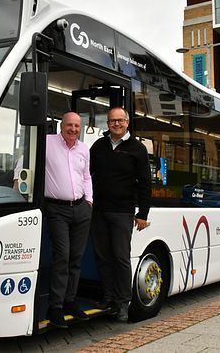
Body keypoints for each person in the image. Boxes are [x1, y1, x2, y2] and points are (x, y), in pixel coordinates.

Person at [89, 107, 150, 323]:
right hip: (99, 211)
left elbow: (145, 183)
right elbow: (87, 175)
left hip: (123, 212)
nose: (116, 124)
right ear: (107, 123)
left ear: (127, 122)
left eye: (120, 120)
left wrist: (142, 213)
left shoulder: (138, 149)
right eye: (112, 121)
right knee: (103, 257)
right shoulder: (98, 146)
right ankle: (108, 297)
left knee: (121, 258)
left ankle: (124, 303)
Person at [44, 112, 93, 328]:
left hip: (81, 209)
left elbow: (87, 176)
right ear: (61, 126)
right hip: (57, 209)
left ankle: (70, 301)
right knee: (62, 256)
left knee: (75, 257)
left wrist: (89, 200)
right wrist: (19, 178)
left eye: (76, 126)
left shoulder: (83, 148)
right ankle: (54, 307)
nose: (73, 129)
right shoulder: (47, 142)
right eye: (69, 125)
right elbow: (25, 160)